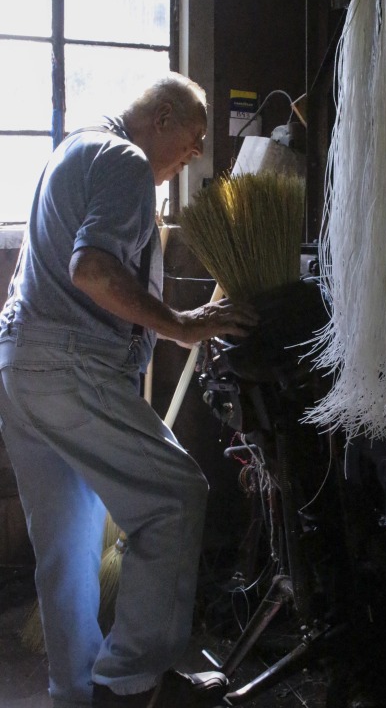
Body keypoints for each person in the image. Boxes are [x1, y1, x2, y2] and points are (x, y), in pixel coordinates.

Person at [0, 72, 258, 708]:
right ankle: (128, 683)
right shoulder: (124, 162)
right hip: (68, 366)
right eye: (194, 138)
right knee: (175, 495)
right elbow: (91, 268)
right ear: (162, 117)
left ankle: (74, 694)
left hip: (22, 367)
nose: (194, 154)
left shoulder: (74, 148)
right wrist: (181, 327)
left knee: (67, 551)